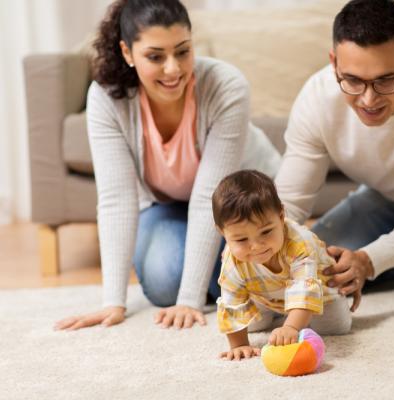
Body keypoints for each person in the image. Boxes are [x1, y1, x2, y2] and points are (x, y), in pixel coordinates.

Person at [54, 0, 281, 331]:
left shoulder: (226, 85)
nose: (173, 69)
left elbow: (208, 196)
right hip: (166, 206)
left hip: (242, 210)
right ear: (128, 53)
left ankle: (238, 283)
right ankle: (234, 285)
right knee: (164, 280)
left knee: (259, 263)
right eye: (155, 56)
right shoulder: (106, 97)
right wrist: (112, 303)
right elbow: (117, 198)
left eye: (183, 51)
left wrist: (189, 300)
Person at [275, 0, 394, 313]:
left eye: (386, 80)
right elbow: (290, 203)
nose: (369, 99)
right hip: (385, 201)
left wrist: (370, 260)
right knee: (321, 266)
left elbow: (365, 261)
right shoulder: (318, 98)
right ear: (334, 63)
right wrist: (266, 252)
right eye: (353, 80)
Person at [212, 170, 351, 361]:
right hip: (266, 296)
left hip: (319, 292)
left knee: (336, 326)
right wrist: (240, 345)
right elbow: (232, 302)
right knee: (251, 325)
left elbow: (304, 291)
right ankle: (283, 313)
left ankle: (292, 317)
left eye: (266, 232)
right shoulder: (232, 258)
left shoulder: (299, 243)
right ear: (222, 232)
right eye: (241, 239)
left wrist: (291, 327)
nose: (256, 246)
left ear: (281, 216)